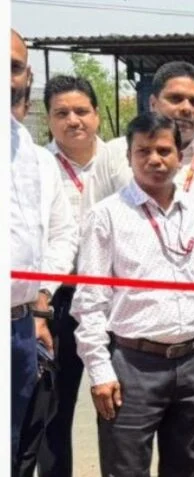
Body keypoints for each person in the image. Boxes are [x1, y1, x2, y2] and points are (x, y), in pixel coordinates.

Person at [70, 113, 194, 477]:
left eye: (163, 150)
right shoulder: (106, 216)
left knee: (190, 468)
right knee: (125, 469)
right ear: (128, 156)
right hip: (132, 366)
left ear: (180, 156)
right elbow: (90, 302)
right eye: (143, 151)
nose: (154, 160)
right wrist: (100, 371)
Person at [19, 75, 113, 477]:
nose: (73, 120)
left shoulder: (121, 161)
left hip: (113, 299)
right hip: (54, 300)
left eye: (81, 111)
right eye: (61, 113)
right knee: (54, 410)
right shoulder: (33, 166)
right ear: (49, 119)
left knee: (117, 404)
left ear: (97, 115)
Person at [10, 28, 78, 472]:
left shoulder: (36, 159)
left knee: (18, 446)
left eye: (13, 67)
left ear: (27, 76)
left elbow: (61, 234)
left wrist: (39, 303)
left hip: (20, 329)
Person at [87, 61, 194, 206]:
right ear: (153, 104)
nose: (186, 108)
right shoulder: (113, 155)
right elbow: (91, 215)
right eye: (176, 99)